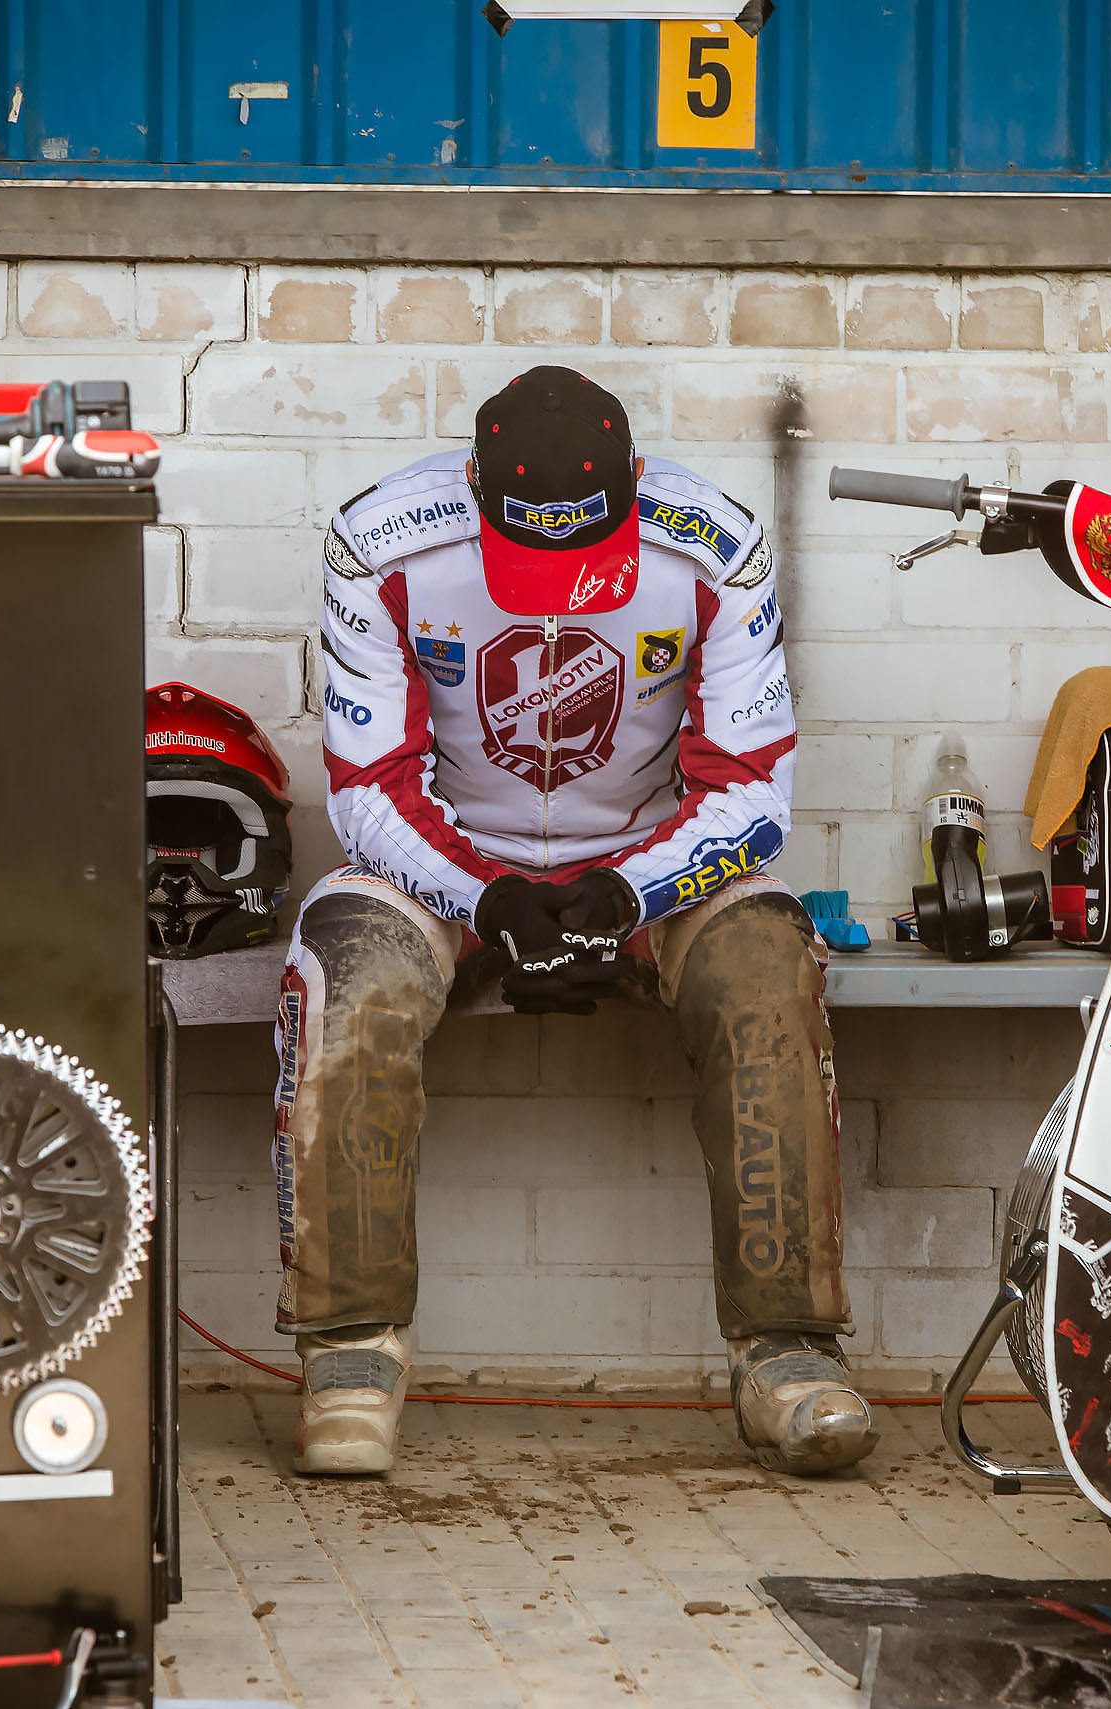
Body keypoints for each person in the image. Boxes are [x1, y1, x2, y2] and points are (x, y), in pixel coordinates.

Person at [273, 365, 871, 1479]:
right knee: (346, 967)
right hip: (450, 864)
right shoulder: (378, 542)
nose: (558, 595)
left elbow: (749, 788)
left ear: (637, 485)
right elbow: (368, 787)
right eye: (528, 561)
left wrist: (622, 895)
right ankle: (350, 1351)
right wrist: (490, 899)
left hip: (649, 862)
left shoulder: (717, 548)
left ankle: (786, 1349)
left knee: (768, 958)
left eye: (585, 561)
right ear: (473, 486)